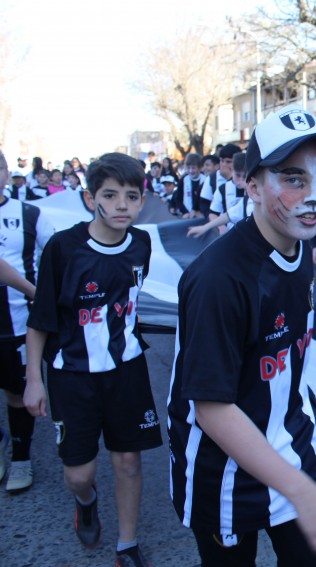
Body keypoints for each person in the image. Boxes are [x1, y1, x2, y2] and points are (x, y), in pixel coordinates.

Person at [167, 105, 316, 566]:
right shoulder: (218, 277)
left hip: (291, 445)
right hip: (224, 473)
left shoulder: (300, 245)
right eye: (293, 179)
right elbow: (212, 408)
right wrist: (304, 494)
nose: (314, 197)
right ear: (252, 185)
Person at [23, 153, 161, 566]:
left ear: (142, 200)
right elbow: (41, 319)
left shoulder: (142, 243)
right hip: (73, 376)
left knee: (129, 461)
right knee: (79, 474)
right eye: (111, 195)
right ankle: (86, 502)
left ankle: (127, 545)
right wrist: (34, 378)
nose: (122, 205)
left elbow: (129, 303)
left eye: (131, 196)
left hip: (127, 372)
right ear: (90, 198)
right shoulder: (63, 249)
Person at [0, 150, 54, 493]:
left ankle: (21, 457)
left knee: (18, 392)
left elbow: (58, 255)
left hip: (18, 323)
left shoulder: (31, 214)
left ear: (7, 173)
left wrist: (42, 295)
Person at [173, 153, 204, 218]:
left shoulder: (205, 180)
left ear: (199, 167)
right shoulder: (184, 180)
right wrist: (185, 212)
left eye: (193, 168)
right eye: (188, 168)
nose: (191, 171)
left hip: (201, 214)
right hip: (187, 214)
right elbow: (178, 199)